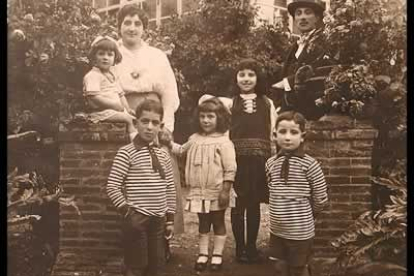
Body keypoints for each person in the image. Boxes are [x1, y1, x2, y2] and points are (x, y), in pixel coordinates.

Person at [114, 3, 183, 258]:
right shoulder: (112, 53)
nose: (132, 28)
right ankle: (133, 244)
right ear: (119, 26)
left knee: (160, 174)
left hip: (153, 117)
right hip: (125, 115)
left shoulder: (156, 55)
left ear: (144, 28)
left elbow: (169, 94)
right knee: (132, 172)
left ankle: (162, 241)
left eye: (137, 23)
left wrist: (166, 127)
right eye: (127, 22)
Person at [106, 99, 176, 276]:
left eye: (155, 123)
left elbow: (169, 188)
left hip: (159, 220)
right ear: (136, 124)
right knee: (136, 265)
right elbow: (113, 186)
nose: (150, 127)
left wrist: (170, 220)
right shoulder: (126, 152)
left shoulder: (163, 155)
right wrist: (128, 213)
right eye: (145, 121)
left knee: (157, 265)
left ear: (161, 126)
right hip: (137, 218)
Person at [167, 97, 236, 272]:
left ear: (219, 118)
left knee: (218, 221)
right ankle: (203, 253)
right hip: (198, 191)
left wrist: (225, 191)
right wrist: (168, 142)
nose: (206, 120)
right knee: (203, 222)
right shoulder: (194, 138)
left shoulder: (224, 142)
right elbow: (181, 151)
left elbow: (230, 168)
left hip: (217, 190)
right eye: (203, 116)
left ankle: (218, 254)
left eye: (210, 116)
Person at [265, 111, 329, 276]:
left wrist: (308, 214)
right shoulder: (270, 163)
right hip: (277, 230)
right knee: (279, 267)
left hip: (300, 232)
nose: (287, 137)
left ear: (302, 136)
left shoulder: (310, 164)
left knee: (297, 269)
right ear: (274, 135)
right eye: (282, 132)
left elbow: (320, 197)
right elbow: (272, 189)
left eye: (293, 132)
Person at [229, 58, 278, 263]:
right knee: (238, 205)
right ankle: (239, 247)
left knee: (254, 204)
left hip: (260, 162)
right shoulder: (231, 102)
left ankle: (251, 247)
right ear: (236, 78)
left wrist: (273, 158)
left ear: (258, 78)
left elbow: (273, 132)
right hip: (237, 160)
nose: (246, 78)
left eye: (251, 74)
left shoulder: (267, 103)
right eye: (242, 74)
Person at [272, 0, 332, 120]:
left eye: (307, 12)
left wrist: (287, 82)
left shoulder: (325, 42)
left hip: (313, 110)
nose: (302, 17)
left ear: (317, 18)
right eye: (298, 13)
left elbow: (322, 70)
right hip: (291, 109)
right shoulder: (295, 45)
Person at [83, 35, 137, 141]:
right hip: (101, 112)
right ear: (94, 57)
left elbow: (120, 94)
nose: (105, 57)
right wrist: (114, 105)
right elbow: (94, 98)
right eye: (101, 54)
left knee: (138, 118)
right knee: (127, 119)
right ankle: (135, 144)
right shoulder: (93, 75)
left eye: (110, 54)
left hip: (114, 111)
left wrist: (127, 108)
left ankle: (167, 145)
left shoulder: (113, 75)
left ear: (114, 58)